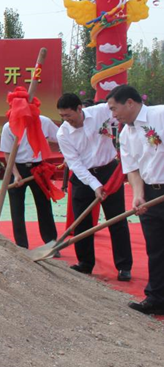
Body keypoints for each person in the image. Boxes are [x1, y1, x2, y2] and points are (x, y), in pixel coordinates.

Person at [56, 93, 132, 280]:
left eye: (68, 115)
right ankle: (85, 263)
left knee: (117, 220)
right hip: (83, 177)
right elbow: (75, 164)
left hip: (109, 171)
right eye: (62, 116)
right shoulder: (63, 133)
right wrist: (95, 185)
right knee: (82, 222)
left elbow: (120, 111)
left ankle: (124, 266)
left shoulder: (101, 112)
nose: (66, 120)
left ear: (79, 108)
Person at [107, 85, 164, 313]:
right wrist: (138, 195)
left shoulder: (160, 115)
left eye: (114, 108)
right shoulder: (125, 134)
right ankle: (156, 298)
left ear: (129, 103)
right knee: (156, 248)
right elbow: (132, 169)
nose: (113, 115)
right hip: (151, 194)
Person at [0, 114, 60, 249]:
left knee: (44, 205)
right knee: (17, 208)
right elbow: (7, 154)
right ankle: (21, 245)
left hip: (38, 168)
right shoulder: (9, 126)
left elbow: (61, 136)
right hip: (16, 167)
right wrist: (16, 174)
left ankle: (51, 243)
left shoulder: (44, 121)